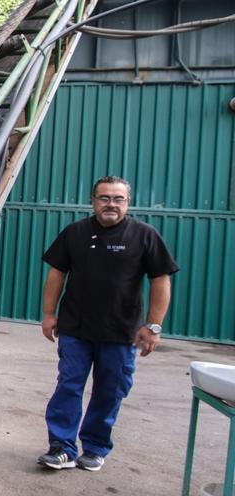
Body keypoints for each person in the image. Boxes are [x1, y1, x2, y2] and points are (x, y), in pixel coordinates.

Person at [36, 175, 178, 472]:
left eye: (118, 199)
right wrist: (49, 314)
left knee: (109, 391)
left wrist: (153, 326)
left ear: (128, 202)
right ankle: (62, 448)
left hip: (121, 331)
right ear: (93, 201)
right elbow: (56, 274)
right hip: (76, 327)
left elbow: (160, 280)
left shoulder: (145, 235)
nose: (111, 204)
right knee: (69, 386)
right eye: (104, 198)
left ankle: (95, 448)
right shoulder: (75, 233)